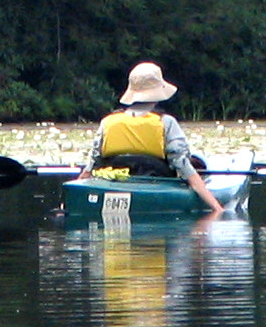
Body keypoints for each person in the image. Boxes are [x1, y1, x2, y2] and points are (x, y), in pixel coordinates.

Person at [80, 61, 223, 214]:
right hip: (157, 183)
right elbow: (182, 165)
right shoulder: (166, 122)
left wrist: (75, 191)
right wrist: (217, 209)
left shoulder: (108, 122)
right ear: (158, 93)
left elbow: (93, 164)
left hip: (113, 182)